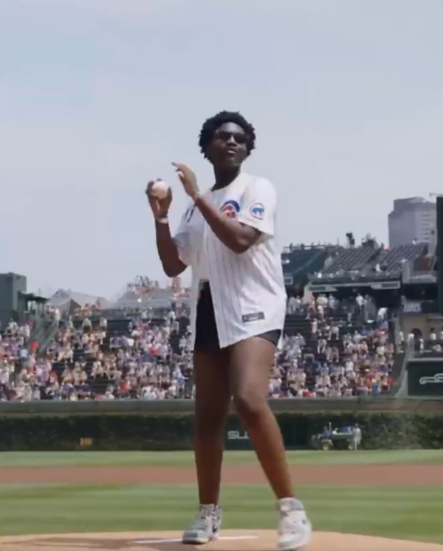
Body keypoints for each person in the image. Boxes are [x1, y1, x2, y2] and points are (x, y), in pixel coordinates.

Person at [145, 110, 312, 550]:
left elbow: (239, 240)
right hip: (208, 306)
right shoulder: (191, 210)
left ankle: (291, 510)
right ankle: (208, 514)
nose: (232, 142)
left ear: (248, 147)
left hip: (255, 303)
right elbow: (172, 264)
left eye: (239, 137)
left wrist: (197, 195)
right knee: (206, 419)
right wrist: (161, 217)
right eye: (222, 136)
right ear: (208, 146)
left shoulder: (257, 188)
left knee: (249, 397)